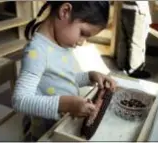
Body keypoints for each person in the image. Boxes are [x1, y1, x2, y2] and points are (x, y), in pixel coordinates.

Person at [12, 1, 116, 141]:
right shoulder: (37, 52)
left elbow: (63, 79)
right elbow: (20, 101)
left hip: (64, 124)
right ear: (65, 11)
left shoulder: (61, 43)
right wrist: (65, 104)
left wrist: (89, 76)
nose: (81, 42)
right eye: (83, 33)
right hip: (47, 134)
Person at [115, 1, 151, 79]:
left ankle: (121, 64)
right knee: (136, 41)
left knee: (124, 38)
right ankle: (134, 69)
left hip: (125, 7)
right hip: (137, 8)